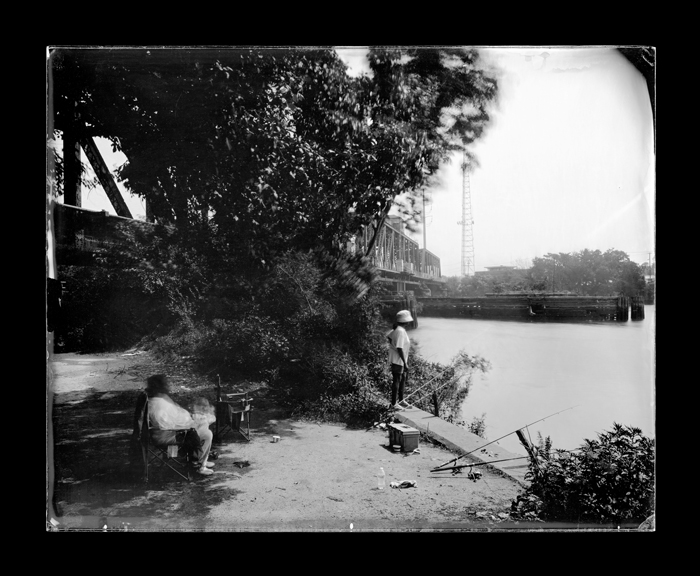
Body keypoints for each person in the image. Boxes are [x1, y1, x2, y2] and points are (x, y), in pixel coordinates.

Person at [145, 374, 215, 476]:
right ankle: (199, 465)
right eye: (165, 384)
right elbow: (165, 424)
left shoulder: (160, 398)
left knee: (204, 423)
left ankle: (201, 458)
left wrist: (191, 418)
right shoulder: (158, 403)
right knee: (207, 434)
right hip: (166, 435)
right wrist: (189, 424)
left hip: (170, 430)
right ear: (159, 386)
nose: (168, 386)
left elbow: (176, 413)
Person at [387, 309, 413, 407]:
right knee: (397, 380)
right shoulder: (400, 331)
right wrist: (405, 363)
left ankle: (401, 400)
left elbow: (389, 337)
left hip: (400, 359)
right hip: (398, 359)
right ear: (405, 321)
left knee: (402, 379)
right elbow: (399, 347)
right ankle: (394, 403)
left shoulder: (397, 329)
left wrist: (392, 345)